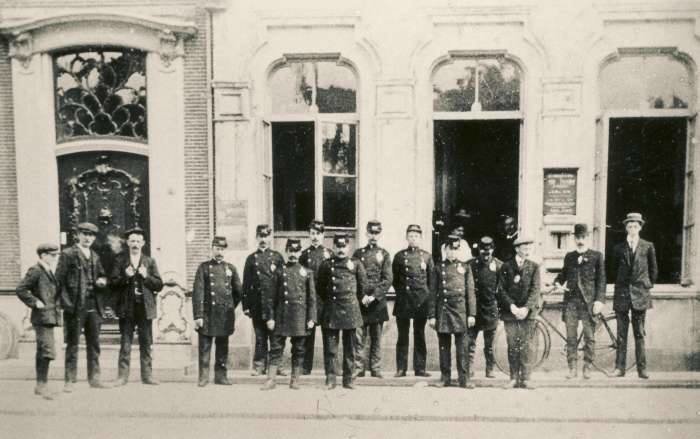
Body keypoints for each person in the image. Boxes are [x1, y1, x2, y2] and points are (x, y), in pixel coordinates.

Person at [55, 222, 110, 391]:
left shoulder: (95, 256)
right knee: (73, 343)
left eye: (91, 235)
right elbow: (59, 281)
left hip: (94, 304)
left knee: (94, 343)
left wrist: (103, 281)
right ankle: (69, 380)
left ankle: (94, 378)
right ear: (77, 235)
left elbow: (102, 275)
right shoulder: (68, 254)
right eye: (85, 234)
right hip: (75, 305)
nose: (88, 238)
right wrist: (67, 304)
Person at [261, 238, 317, 390]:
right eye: (290, 251)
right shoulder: (279, 271)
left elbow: (311, 298)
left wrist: (312, 317)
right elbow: (271, 297)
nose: (293, 254)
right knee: (275, 347)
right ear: (286, 251)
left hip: (299, 316)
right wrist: (270, 317)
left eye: (296, 251)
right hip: (281, 316)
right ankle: (271, 379)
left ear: (300, 252)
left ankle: (295, 380)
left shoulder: (307, 272)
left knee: (299, 349)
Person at [111, 227, 163, 386]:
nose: (135, 244)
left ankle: (147, 376)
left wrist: (146, 276)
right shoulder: (119, 260)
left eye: (138, 241)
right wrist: (125, 277)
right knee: (125, 343)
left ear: (143, 243)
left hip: (144, 308)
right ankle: (122, 377)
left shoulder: (150, 261)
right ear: (127, 243)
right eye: (132, 241)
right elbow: (112, 283)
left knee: (146, 343)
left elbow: (159, 285)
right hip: (127, 307)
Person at [553, 223, 606, 379]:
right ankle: (572, 368)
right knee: (571, 336)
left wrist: (599, 301)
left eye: (583, 237)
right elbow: (563, 274)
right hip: (571, 302)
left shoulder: (597, 256)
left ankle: (587, 367)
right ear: (574, 238)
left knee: (589, 336)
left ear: (587, 237)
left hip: (589, 303)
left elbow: (602, 280)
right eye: (577, 237)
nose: (580, 240)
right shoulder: (570, 257)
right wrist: (556, 282)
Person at [316, 234, 366, 389]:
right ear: (333, 247)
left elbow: (362, 287)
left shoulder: (356, 264)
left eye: (344, 246)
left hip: (351, 310)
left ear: (349, 247)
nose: (341, 249)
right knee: (330, 349)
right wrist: (331, 301)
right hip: (332, 310)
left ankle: (348, 379)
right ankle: (330, 379)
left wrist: (352, 302)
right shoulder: (326, 265)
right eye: (338, 246)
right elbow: (320, 288)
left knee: (350, 349)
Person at [611, 213, 657, 379]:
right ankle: (619, 368)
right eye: (629, 226)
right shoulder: (618, 248)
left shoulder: (648, 246)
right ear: (626, 228)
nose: (632, 229)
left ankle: (642, 369)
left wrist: (646, 286)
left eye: (635, 226)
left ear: (640, 227)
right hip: (622, 295)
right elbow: (612, 270)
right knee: (621, 334)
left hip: (640, 295)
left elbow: (654, 271)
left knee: (639, 333)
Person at [192, 236, 242, 387]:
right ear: (212, 249)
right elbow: (198, 292)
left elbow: (238, 292)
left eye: (222, 249)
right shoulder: (204, 267)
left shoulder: (231, 268)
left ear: (225, 250)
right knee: (204, 347)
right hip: (207, 314)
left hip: (224, 314)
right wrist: (198, 315)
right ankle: (203, 377)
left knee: (222, 347)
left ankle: (221, 377)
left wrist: (229, 307)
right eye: (217, 249)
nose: (219, 252)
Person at [429, 235, 477, 388]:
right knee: (444, 347)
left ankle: (465, 379)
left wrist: (472, 314)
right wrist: (432, 316)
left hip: (461, 311)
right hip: (443, 310)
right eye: (450, 250)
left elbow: (470, 292)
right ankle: (445, 378)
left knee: (462, 347)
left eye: (455, 250)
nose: (452, 253)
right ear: (445, 250)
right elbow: (432, 293)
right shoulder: (438, 268)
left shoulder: (466, 267)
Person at [16, 243, 62, 399]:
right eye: (53, 255)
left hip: (48, 317)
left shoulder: (48, 270)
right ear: (43, 255)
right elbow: (21, 289)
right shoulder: (36, 270)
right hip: (41, 317)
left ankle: (41, 385)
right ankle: (42, 386)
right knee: (46, 351)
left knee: (44, 351)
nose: (55, 258)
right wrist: (35, 302)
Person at [495, 236, 541, 389]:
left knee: (527, 345)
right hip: (511, 313)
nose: (527, 250)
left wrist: (526, 308)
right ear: (517, 249)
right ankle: (513, 377)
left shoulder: (534, 267)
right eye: (524, 247)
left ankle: (526, 378)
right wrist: (512, 307)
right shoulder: (506, 266)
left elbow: (535, 291)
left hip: (528, 313)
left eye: (529, 247)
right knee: (513, 345)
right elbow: (501, 290)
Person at [242, 224, 286, 376]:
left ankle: (277, 365)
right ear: (256, 238)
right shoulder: (251, 259)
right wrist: (246, 306)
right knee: (260, 337)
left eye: (266, 236)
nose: (263, 239)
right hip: (257, 304)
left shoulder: (277, 257)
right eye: (261, 236)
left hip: (274, 305)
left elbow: (283, 283)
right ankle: (259, 365)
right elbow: (246, 284)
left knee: (276, 338)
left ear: (270, 238)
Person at [392, 224, 434, 378]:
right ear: (406, 238)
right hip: (404, 300)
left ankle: (420, 368)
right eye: (410, 236)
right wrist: (403, 293)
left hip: (421, 301)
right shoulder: (399, 256)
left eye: (416, 236)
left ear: (420, 238)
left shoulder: (427, 257)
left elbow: (431, 281)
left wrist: (427, 299)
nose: (413, 239)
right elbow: (395, 280)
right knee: (402, 336)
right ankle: (401, 368)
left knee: (419, 335)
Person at [352, 220, 392, 379]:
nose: (373, 236)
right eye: (371, 232)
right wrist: (362, 296)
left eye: (376, 233)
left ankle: (376, 368)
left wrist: (374, 296)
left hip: (377, 302)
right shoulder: (358, 254)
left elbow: (387, 279)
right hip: (361, 301)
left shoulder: (384, 254)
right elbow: (353, 277)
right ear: (366, 233)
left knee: (376, 337)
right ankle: (359, 367)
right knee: (359, 337)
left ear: (380, 234)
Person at [466, 236, 502, 378]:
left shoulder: (499, 265)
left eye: (488, 251)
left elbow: (502, 289)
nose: (486, 254)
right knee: (470, 343)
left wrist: (499, 310)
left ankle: (490, 369)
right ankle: (469, 369)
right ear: (478, 250)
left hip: (491, 309)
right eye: (483, 251)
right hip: (474, 310)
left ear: (492, 250)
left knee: (490, 344)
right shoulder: (470, 265)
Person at [299, 219, 331, 374]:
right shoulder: (304, 255)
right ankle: (306, 367)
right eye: (312, 233)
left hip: (325, 301)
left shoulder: (329, 254)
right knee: (308, 335)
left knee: (328, 335)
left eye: (318, 233)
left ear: (323, 235)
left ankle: (330, 367)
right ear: (308, 235)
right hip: (309, 301)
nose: (315, 237)